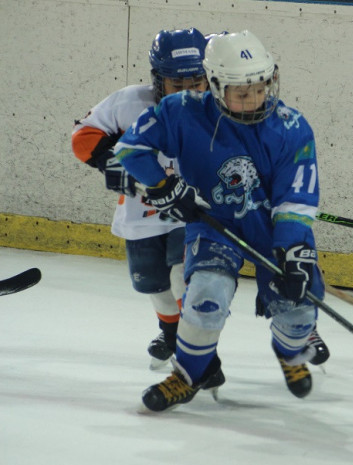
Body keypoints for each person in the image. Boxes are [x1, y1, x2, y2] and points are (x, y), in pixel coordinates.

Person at [114, 30, 326, 411]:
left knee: (298, 311)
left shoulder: (292, 127)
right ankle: (187, 376)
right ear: (213, 85)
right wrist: (163, 186)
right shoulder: (181, 111)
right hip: (215, 225)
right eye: (242, 93)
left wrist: (293, 250)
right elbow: (130, 148)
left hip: (273, 230)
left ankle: (290, 353)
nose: (256, 100)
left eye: (261, 88)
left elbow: (296, 197)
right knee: (205, 297)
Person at [71, 28, 221, 375]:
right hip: (141, 214)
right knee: (153, 283)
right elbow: (83, 137)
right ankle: (170, 334)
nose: (188, 91)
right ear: (158, 80)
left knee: (183, 276)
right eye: (176, 84)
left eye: (196, 81)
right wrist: (111, 162)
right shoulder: (129, 102)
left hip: (190, 213)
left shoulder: (218, 109)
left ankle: (196, 345)